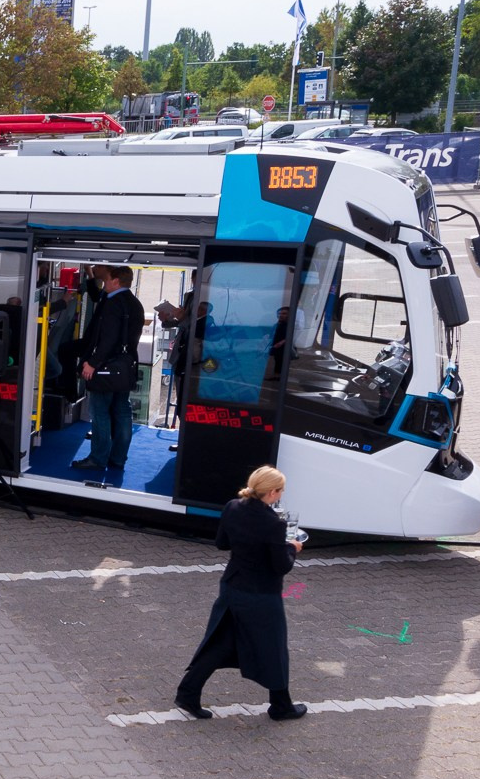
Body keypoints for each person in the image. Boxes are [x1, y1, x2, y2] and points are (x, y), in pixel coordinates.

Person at [173, 465, 307, 720]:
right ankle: (281, 706)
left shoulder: (233, 506)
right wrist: (292, 548)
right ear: (273, 492)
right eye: (281, 491)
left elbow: (222, 543)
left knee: (220, 643)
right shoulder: (274, 525)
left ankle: (188, 692)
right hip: (260, 594)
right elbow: (282, 566)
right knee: (274, 647)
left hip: (232, 586)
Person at [74, 265, 141, 474]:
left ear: (116, 281)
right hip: (126, 365)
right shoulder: (135, 304)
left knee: (100, 412)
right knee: (122, 411)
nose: (104, 284)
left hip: (106, 366)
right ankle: (118, 458)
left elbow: (108, 339)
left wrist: (92, 363)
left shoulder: (113, 304)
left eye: (107, 280)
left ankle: (98, 458)